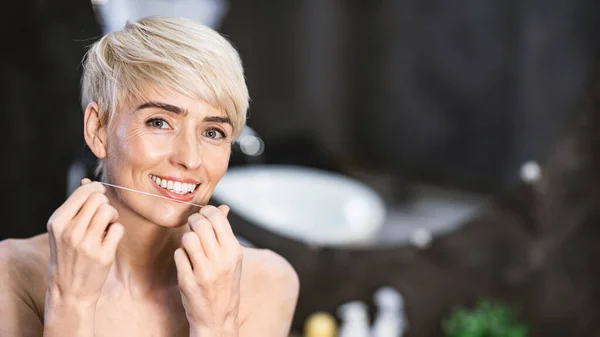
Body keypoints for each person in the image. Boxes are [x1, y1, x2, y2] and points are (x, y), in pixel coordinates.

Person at [0, 16, 299, 337]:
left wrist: (216, 324)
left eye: (213, 131)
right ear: (97, 129)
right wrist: (70, 302)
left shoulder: (266, 282)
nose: (190, 158)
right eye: (159, 122)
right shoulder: (11, 274)